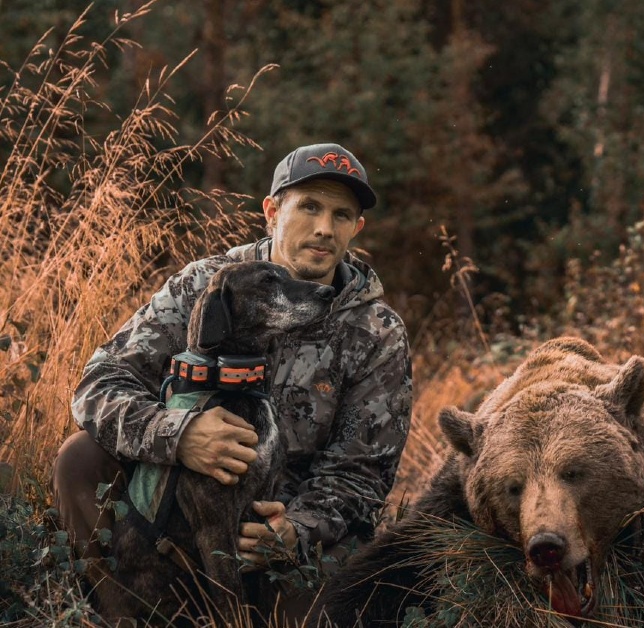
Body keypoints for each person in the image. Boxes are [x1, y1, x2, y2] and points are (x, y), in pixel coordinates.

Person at [52, 143, 413, 620]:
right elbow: (100, 385)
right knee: (79, 457)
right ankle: (122, 609)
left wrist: (297, 529)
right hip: (179, 514)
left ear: (356, 228)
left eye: (341, 215)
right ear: (271, 211)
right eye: (309, 206)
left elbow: (363, 474)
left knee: (320, 614)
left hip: (282, 531)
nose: (325, 228)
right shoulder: (206, 285)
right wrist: (178, 436)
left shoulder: (376, 331)